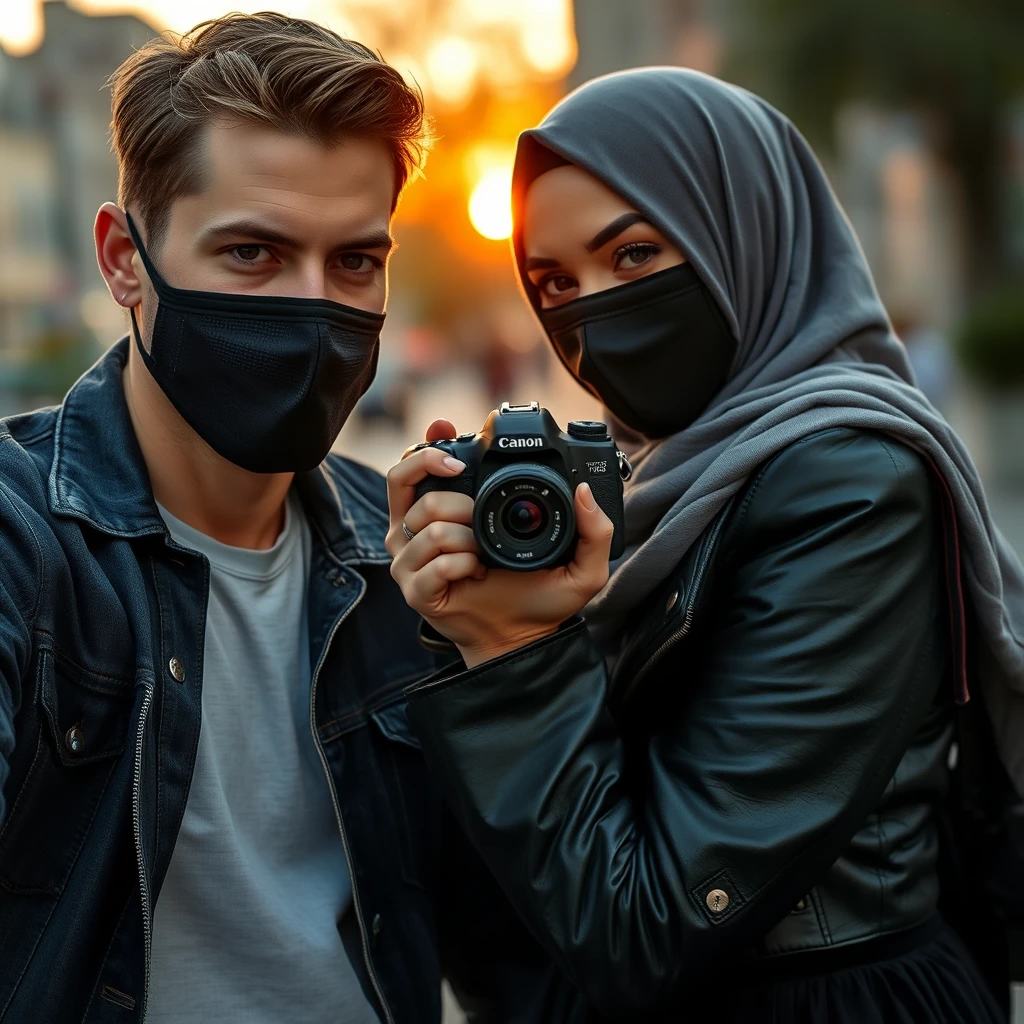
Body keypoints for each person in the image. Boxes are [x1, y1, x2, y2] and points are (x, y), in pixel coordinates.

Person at [386, 69, 1024, 1022]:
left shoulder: (849, 482)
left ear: (747, 233)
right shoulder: (646, 481)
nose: (591, 311)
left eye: (635, 255)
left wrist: (514, 656)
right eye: (555, 282)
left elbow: (646, 922)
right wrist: (458, 615)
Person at [0, 14, 555, 1023]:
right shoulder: (21, 541)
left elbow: (532, 965)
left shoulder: (411, 569)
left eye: (354, 263)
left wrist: (524, 664)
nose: (312, 308)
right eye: (252, 251)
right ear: (125, 258)